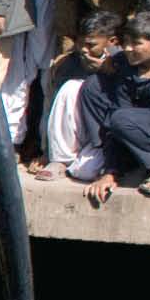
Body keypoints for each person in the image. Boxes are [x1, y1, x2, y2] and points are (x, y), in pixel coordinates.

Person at [74, 8, 150, 204]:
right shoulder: (125, 65)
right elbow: (117, 118)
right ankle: (119, 164)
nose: (127, 48)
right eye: (126, 42)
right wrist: (110, 173)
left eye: (136, 43)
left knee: (122, 119)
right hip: (140, 126)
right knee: (93, 87)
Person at [38, 11, 121, 182]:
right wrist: (47, 152)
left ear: (111, 41)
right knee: (70, 87)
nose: (84, 50)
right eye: (80, 43)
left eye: (91, 45)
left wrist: (110, 71)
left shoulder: (126, 60)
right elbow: (51, 107)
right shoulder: (67, 63)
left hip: (108, 135)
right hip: (80, 134)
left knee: (84, 172)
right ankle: (60, 160)